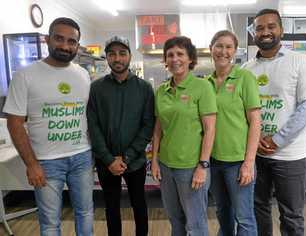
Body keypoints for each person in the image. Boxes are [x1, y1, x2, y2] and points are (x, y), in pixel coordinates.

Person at [3, 17, 94, 236]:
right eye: (59, 39)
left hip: (82, 156)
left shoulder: (83, 75)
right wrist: (32, 164)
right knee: (50, 222)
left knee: (86, 213)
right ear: (47, 39)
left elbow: (86, 115)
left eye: (71, 41)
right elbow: (14, 122)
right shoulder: (25, 75)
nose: (65, 45)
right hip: (45, 161)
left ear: (78, 45)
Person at [243, 8, 306, 236]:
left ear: (281, 31)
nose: (265, 32)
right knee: (258, 209)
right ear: (254, 33)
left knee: (291, 215)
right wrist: (254, 143)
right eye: (259, 28)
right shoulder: (246, 69)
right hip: (256, 156)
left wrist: (277, 140)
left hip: (289, 156)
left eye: (271, 26)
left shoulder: (300, 62)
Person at [87, 36, 154, 236]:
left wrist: (127, 157)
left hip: (134, 161)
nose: (117, 58)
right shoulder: (96, 88)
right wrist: (108, 159)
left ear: (130, 56)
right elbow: (93, 125)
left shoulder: (144, 88)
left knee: (139, 204)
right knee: (111, 207)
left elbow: (148, 125)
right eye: (112, 54)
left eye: (122, 53)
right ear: (106, 58)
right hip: (106, 162)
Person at [151, 36, 217, 236]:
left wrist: (202, 166)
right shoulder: (161, 91)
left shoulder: (203, 87)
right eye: (170, 55)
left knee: (195, 225)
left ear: (190, 59)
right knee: (175, 221)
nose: (174, 59)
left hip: (190, 168)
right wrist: (154, 161)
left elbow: (210, 129)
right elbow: (158, 129)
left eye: (180, 54)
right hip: (166, 166)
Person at [207, 30, 261, 236]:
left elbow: (255, 121)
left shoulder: (244, 78)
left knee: (244, 217)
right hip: (212, 161)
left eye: (228, 47)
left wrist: (249, 163)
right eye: (219, 46)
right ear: (211, 48)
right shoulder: (205, 83)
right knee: (223, 212)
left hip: (238, 161)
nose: (223, 51)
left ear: (235, 51)